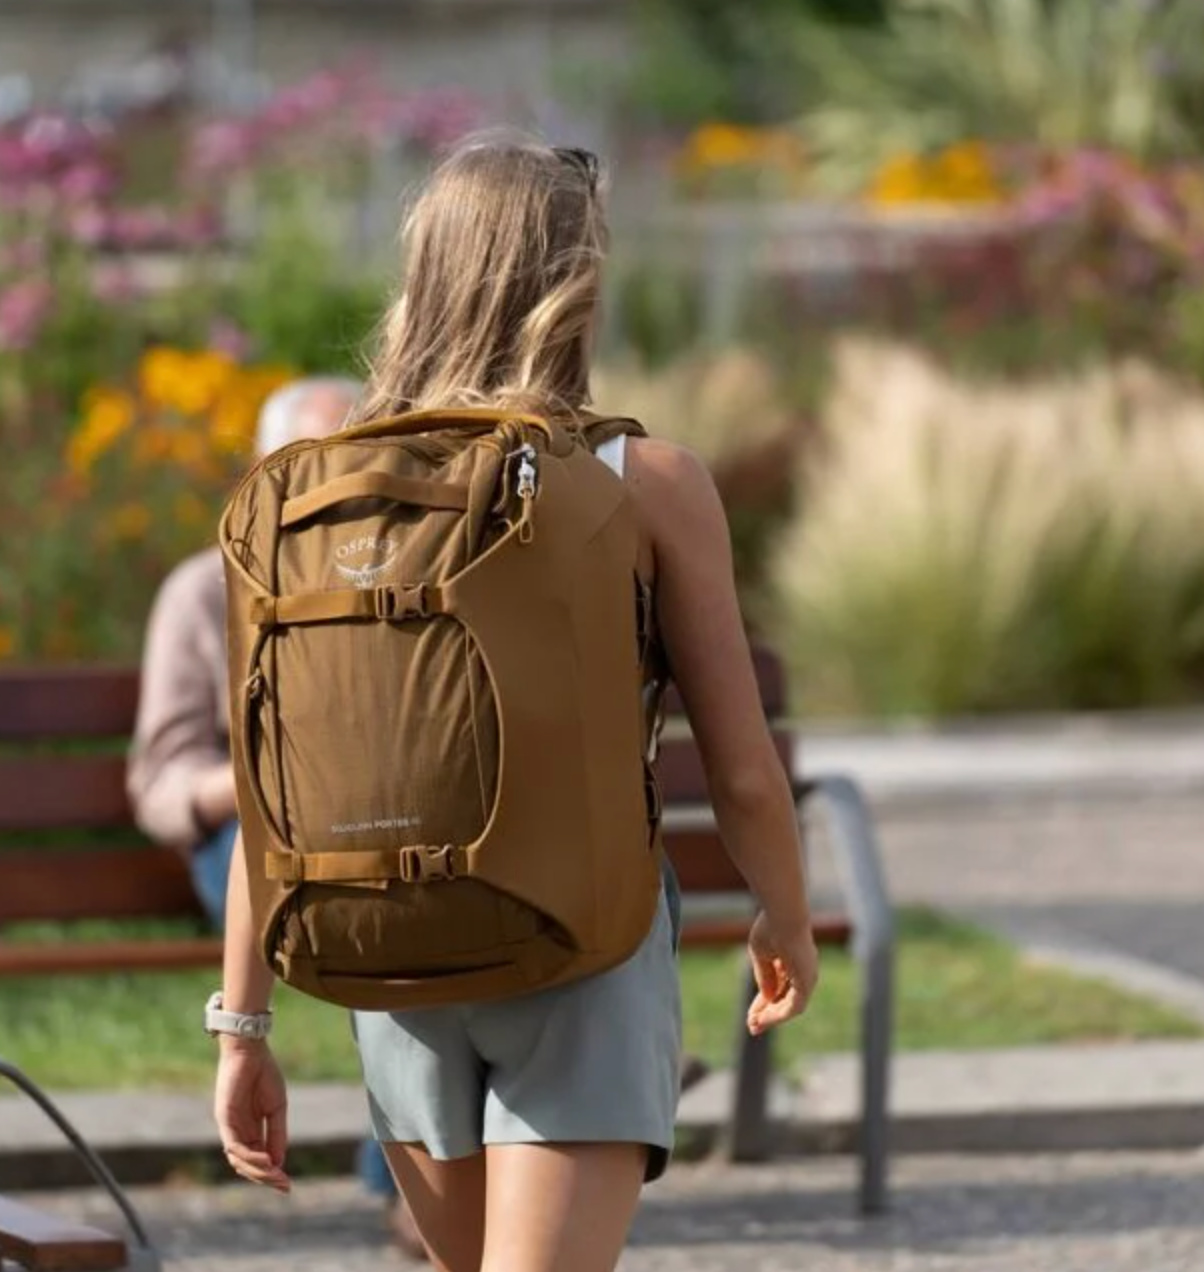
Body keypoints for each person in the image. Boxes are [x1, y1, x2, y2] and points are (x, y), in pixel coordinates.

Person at [211, 139, 820, 1272]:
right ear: (576, 284)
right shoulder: (648, 483)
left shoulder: (314, 487)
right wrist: (786, 915)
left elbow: (271, 781)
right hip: (581, 949)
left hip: (391, 965)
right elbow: (741, 769)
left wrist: (241, 1027)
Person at [127, 374, 427, 1258]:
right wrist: (272, 775)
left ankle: (451, 1160)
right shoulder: (198, 592)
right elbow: (161, 783)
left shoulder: (391, 574)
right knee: (359, 917)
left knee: (414, 903)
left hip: (370, 827)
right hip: (243, 836)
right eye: (303, 463)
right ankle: (423, 1177)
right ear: (256, 474)